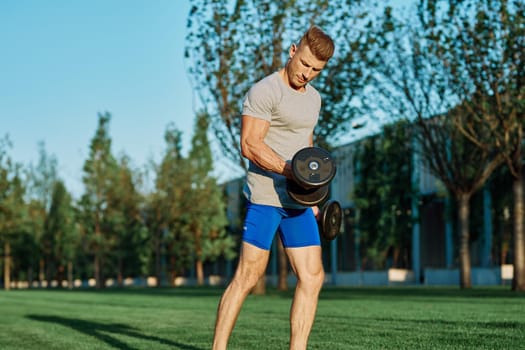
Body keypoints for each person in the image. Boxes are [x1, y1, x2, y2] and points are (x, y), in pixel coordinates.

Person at [212, 25, 335, 350]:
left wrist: (312, 193)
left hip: (297, 202)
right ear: (293, 50)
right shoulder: (265, 91)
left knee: (312, 277)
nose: (307, 73)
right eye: (305, 63)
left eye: (316, 70)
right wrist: (290, 172)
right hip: (266, 197)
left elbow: (306, 148)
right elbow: (250, 145)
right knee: (248, 277)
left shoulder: (313, 100)